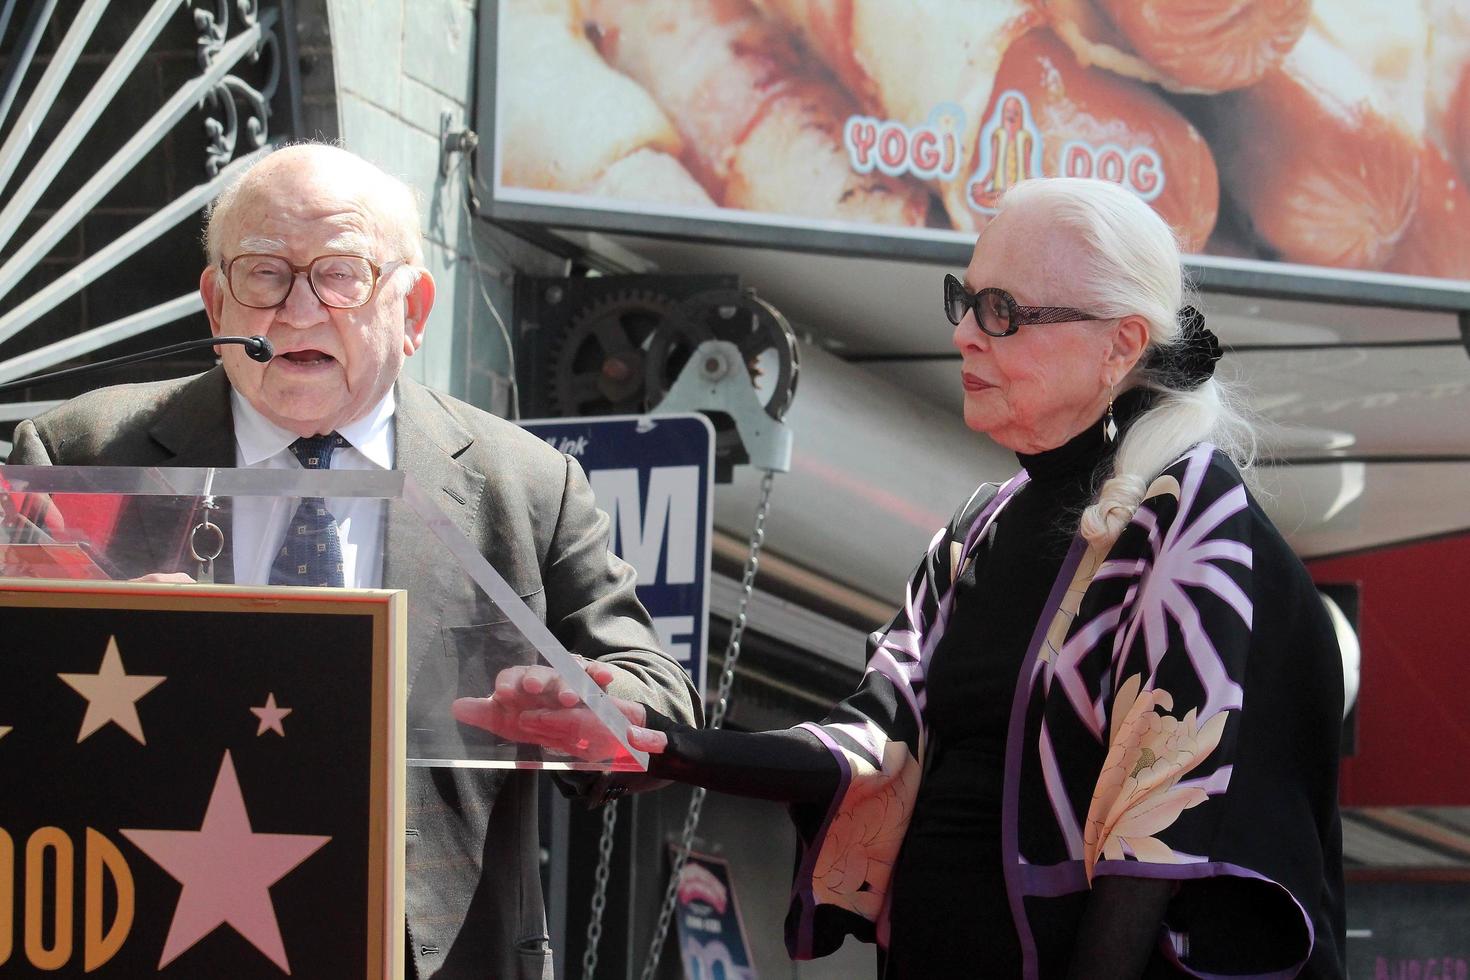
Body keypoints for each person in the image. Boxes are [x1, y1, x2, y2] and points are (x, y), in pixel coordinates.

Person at [459, 177, 1347, 978]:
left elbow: (1162, 837)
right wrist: (660, 739)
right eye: (965, 298)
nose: (964, 331)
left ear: (1120, 344)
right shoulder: (981, 526)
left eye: (1004, 310)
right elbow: (875, 745)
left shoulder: (1189, 512)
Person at [4, 143, 701, 979]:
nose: (298, 309)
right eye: (264, 273)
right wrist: (96, 643)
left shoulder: (524, 485)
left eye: (340, 274)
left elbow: (660, 696)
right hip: (142, 934)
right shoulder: (82, 451)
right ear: (214, 300)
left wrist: (583, 697)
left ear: (412, 311)